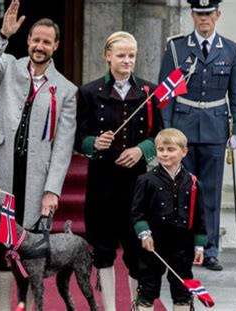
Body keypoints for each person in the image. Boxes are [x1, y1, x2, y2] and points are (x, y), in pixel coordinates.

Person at [0, 0, 77, 309]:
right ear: (28, 40)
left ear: (55, 46)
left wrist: (52, 190)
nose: (40, 46)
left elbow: (63, 146)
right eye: (35, 39)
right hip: (0, 171)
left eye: (47, 41)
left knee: (32, 250)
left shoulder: (66, 89)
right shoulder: (7, 65)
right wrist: (2, 36)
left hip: (35, 179)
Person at [74, 31, 163, 310]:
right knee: (103, 248)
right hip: (102, 181)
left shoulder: (149, 92)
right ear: (107, 56)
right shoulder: (88, 92)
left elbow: (159, 134)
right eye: (122, 55)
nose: (127, 61)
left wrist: (142, 150)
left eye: (132, 56)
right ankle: (109, 307)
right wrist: (94, 143)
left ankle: (137, 305)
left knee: (137, 249)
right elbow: (77, 137)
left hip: (137, 183)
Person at [158, 0, 236, 271]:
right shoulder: (177, 48)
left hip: (215, 130)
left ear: (217, 15)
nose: (204, 18)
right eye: (199, 13)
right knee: (179, 191)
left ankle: (208, 249)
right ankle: (181, 247)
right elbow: (165, 94)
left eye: (209, 14)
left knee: (210, 193)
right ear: (193, 15)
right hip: (182, 131)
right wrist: (166, 132)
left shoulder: (231, 50)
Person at [130, 128, 207, 311]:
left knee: (182, 289)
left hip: (183, 245)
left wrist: (199, 246)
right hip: (154, 244)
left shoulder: (195, 183)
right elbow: (137, 212)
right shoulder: (145, 180)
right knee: (148, 287)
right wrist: (144, 234)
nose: (165, 154)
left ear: (184, 151)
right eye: (161, 149)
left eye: (171, 149)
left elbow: (200, 218)